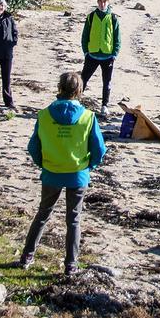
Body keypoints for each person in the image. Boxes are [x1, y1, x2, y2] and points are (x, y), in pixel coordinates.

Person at [21, 72, 107, 274]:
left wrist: (44, 163)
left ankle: (27, 256)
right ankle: (71, 264)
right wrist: (88, 167)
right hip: (77, 174)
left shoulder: (44, 115)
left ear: (59, 88)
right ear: (79, 91)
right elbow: (100, 150)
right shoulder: (88, 117)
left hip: (52, 172)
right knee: (74, 219)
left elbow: (33, 147)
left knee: (43, 214)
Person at [80, 0, 120, 118]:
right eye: (100, 1)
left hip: (108, 56)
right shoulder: (91, 17)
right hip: (92, 55)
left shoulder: (113, 18)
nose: (102, 4)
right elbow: (85, 35)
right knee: (83, 80)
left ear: (108, 2)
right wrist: (86, 51)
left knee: (106, 82)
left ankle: (104, 106)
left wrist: (114, 54)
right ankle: (76, 101)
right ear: (97, 2)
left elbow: (117, 38)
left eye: (104, 1)